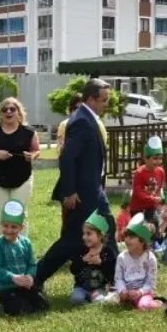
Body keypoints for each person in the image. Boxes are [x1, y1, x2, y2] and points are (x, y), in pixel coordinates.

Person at [36, 78, 115, 290]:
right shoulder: (82, 120)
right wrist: (70, 191)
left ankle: (115, 278)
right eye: (104, 100)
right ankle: (36, 277)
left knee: (106, 229)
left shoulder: (87, 118)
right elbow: (67, 157)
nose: (106, 104)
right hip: (82, 193)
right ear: (91, 99)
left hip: (93, 190)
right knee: (73, 239)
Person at [0, 97, 41, 228]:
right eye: (5, 109)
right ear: (0, 113)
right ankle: (2, 247)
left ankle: (21, 247)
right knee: (2, 215)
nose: (8, 112)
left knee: (19, 214)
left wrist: (31, 156)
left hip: (23, 179)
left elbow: (36, 150)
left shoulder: (28, 132)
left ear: (18, 112)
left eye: (12, 109)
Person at [0, 200, 47, 316]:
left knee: (42, 306)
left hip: (24, 285)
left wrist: (30, 276)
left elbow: (32, 264)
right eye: (5, 226)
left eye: (14, 227)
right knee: (21, 309)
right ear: (1, 225)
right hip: (7, 288)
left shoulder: (26, 242)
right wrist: (13, 277)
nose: (9, 230)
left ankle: (28, 299)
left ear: (21, 227)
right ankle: (4, 305)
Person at [113, 213, 160, 310]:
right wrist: (122, 290)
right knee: (110, 301)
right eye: (126, 237)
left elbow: (151, 282)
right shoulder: (121, 257)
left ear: (142, 241)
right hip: (126, 291)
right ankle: (127, 300)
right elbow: (118, 278)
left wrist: (140, 292)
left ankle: (157, 302)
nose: (126, 240)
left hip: (143, 292)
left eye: (131, 237)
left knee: (143, 306)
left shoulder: (150, 258)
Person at [70, 210, 116, 305]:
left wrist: (101, 263)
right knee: (76, 299)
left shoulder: (107, 251)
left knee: (99, 300)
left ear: (100, 235)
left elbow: (113, 272)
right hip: (81, 287)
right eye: (84, 233)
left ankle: (95, 296)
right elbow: (73, 269)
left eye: (89, 234)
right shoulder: (82, 250)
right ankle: (86, 296)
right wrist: (83, 260)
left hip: (100, 287)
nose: (84, 237)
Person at [129, 137, 166, 216]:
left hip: (151, 207)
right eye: (155, 159)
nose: (158, 161)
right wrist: (154, 199)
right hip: (137, 208)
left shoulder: (161, 171)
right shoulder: (139, 173)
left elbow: (159, 189)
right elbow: (138, 192)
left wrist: (159, 202)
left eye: (160, 158)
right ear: (146, 159)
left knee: (153, 225)